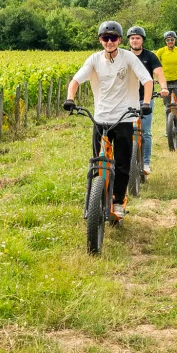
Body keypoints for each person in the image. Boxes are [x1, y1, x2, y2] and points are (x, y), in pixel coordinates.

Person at [64, 21, 153, 218]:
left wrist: (145, 103)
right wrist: (70, 98)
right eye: (106, 38)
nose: (109, 42)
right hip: (100, 118)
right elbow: (76, 80)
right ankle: (96, 197)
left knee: (122, 163)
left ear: (120, 40)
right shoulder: (94, 60)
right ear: (100, 40)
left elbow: (147, 80)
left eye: (113, 38)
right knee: (97, 161)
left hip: (124, 117)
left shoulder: (128, 57)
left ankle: (119, 200)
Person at [126, 26, 168, 175]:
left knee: (146, 132)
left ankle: (146, 163)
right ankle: (126, 163)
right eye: (132, 38)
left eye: (137, 38)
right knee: (124, 132)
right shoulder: (123, 56)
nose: (135, 40)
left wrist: (163, 87)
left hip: (145, 98)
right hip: (126, 99)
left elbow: (159, 73)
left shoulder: (150, 56)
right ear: (129, 41)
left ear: (142, 40)